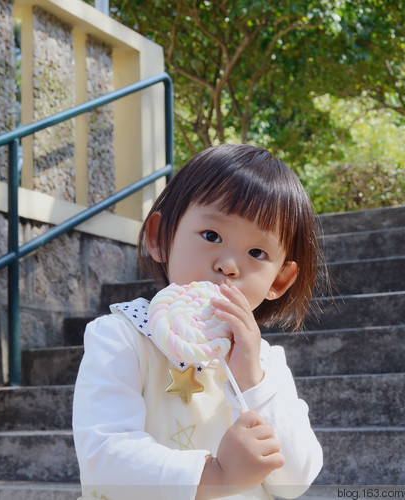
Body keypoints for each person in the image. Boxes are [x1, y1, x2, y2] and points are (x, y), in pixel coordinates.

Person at [72, 143, 324, 500]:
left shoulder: (265, 366)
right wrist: (216, 476)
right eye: (211, 236)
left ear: (279, 281)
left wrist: (251, 380)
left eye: (257, 252)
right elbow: (103, 456)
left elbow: (296, 480)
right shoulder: (122, 337)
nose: (228, 265)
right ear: (160, 237)